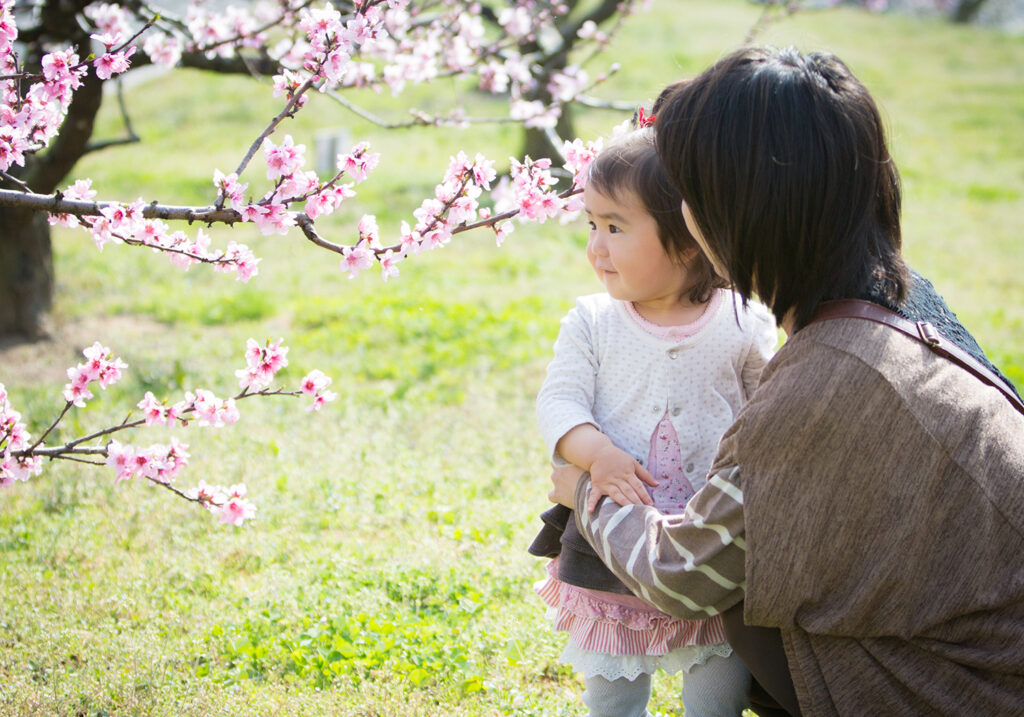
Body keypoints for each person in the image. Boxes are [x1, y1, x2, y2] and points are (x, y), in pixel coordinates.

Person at [548, 46, 1024, 716]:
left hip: (961, 691)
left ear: (740, 209)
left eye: (690, 194)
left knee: (745, 596)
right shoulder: (900, 302)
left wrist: (585, 493)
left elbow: (685, 576)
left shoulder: (823, 382)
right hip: (984, 661)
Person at [531, 127, 777, 717]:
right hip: (613, 534)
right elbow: (559, 403)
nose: (596, 247)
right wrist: (597, 455)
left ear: (689, 241)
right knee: (614, 687)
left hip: (709, 539)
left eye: (615, 228)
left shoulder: (743, 321)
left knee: (719, 682)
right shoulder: (593, 322)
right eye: (591, 224)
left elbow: (769, 414)